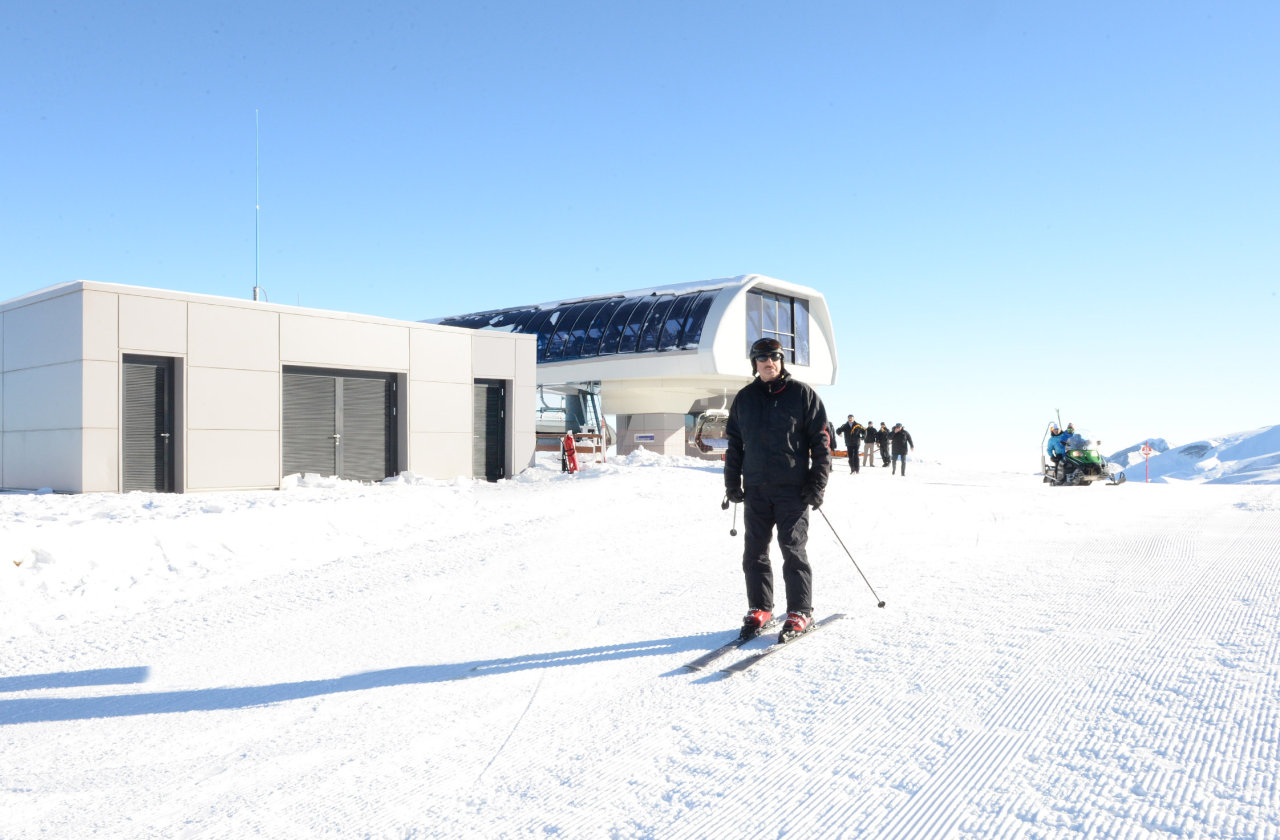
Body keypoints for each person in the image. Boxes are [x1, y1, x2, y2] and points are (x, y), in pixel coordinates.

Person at [724, 337, 831, 642]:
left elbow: (821, 444)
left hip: (793, 490)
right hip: (756, 488)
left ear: (782, 361)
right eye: (762, 358)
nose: (768, 363)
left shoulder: (802, 394)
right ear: (754, 363)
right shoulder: (745, 398)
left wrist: (817, 484)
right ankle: (760, 607)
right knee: (754, 553)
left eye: (774, 357)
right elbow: (735, 446)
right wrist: (732, 482)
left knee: (792, 550)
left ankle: (800, 611)